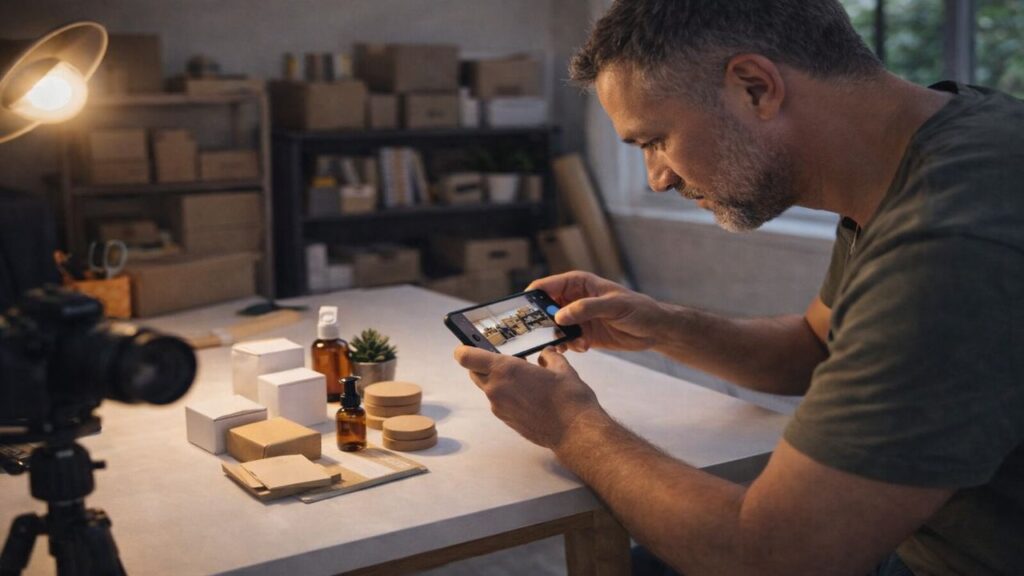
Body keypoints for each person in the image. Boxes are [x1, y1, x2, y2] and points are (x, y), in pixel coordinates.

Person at [453, 1, 1024, 574]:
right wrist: (660, 324)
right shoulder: (941, 141)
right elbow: (814, 346)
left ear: (754, 88)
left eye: (655, 139)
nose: (658, 178)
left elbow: (775, 557)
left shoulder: (949, 240)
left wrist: (571, 427)